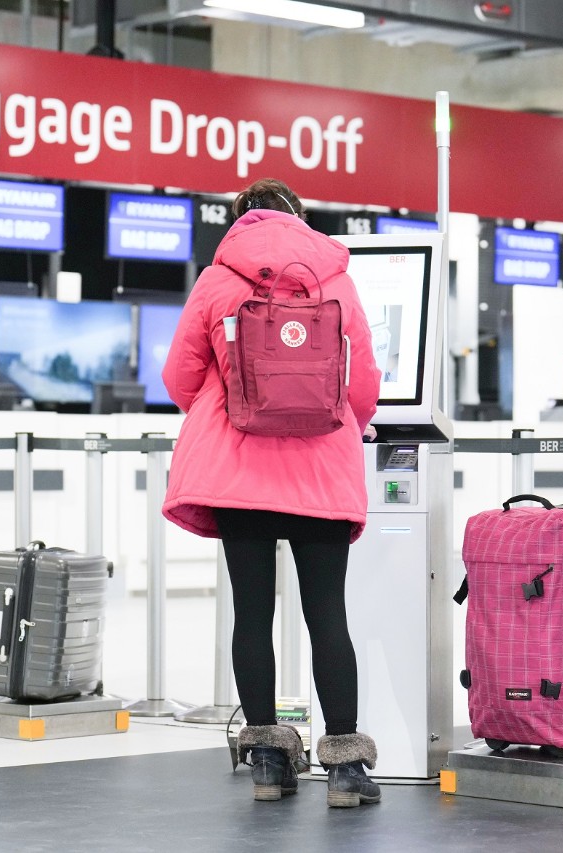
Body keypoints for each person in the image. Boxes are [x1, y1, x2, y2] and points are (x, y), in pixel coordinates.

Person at [161, 178, 383, 807]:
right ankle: (343, 767)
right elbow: (362, 382)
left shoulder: (217, 278)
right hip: (321, 472)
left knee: (253, 614)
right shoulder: (336, 277)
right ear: (300, 217)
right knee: (327, 614)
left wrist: (225, 403)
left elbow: (179, 375)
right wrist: (334, 424)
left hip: (237, 472)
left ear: (238, 219)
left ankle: (266, 760)